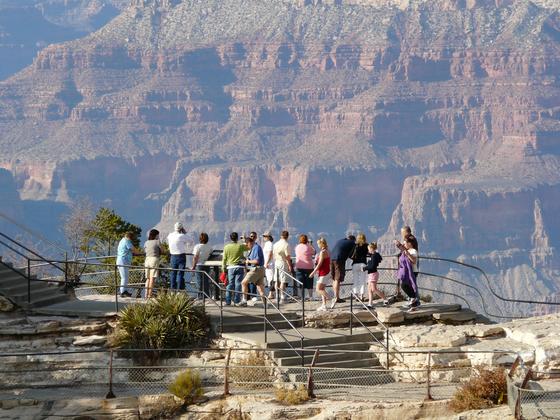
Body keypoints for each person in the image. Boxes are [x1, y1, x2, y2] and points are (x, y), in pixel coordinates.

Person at [329, 234, 356, 308]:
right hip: (339, 259)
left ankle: (335, 296)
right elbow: (352, 255)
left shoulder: (340, 240)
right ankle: (337, 298)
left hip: (331, 259)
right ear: (353, 240)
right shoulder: (352, 243)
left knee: (334, 278)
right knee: (338, 278)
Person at [221, 232, 248, 306]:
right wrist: (244, 240)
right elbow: (248, 247)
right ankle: (236, 301)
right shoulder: (240, 246)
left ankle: (228, 301)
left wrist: (223, 269)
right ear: (237, 238)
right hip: (239, 267)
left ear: (230, 238)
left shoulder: (226, 247)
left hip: (230, 267)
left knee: (230, 284)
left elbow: (224, 259)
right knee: (238, 284)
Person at [395, 235, 420, 312]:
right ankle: (414, 305)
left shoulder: (413, 251)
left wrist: (407, 253)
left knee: (404, 285)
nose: (404, 243)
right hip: (407, 272)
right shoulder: (408, 250)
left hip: (412, 272)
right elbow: (403, 249)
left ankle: (414, 299)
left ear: (410, 243)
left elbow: (414, 261)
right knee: (407, 286)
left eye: (405, 242)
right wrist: (398, 245)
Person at [239, 236, 266, 306]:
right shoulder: (255, 248)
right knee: (260, 288)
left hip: (256, 269)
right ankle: (265, 304)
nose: (247, 246)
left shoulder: (256, 248)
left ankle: (244, 300)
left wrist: (248, 261)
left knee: (243, 283)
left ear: (250, 243)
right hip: (260, 269)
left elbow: (256, 261)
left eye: (247, 245)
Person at [116, 231, 142, 297]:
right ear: (130, 237)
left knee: (125, 277)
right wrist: (140, 253)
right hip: (123, 260)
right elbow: (133, 249)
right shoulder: (126, 241)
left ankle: (125, 290)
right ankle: (122, 292)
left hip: (123, 260)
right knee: (124, 277)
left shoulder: (122, 240)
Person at [309, 238, 331, 311]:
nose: (317, 245)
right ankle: (324, 305)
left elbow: (319, 264)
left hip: (323, 272)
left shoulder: (322, 252)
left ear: (321, 244)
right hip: (326, 271)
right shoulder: (327, 251)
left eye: (318, 243)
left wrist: (313, 272)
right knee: (322, 289)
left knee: (318, 289)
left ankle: (332, 298)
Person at [273, 230, 293, 303]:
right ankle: (282, 297)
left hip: (276, 262)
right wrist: (290, 265)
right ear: (287, 236)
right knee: (283, 280)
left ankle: (277, 296)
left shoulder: (275, 244)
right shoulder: (286, 244)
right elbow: (287, 256)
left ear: (281, 236)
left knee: (277, 280)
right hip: (283, 262)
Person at [167, 222, 189, 291]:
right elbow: (191, 241)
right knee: (180, 274)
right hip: (181, 256)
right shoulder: (182, 236)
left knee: (173, 274)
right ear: (181, 228)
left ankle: (172, 290)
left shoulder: (170, 235)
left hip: (172, 256)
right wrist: (185, 233)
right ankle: (179, 290)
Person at [363, 242, 385, 308]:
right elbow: (379, 258)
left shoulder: (374, 256)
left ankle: (385, 299)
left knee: (374, 289)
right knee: (369, 289)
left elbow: (372, 266)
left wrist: (364, 268)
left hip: (373, 273)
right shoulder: (374, 255)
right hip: (371, 274)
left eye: (369, 249)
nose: (368, 250)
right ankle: (370, 303)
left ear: (372, 248)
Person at [192, 232, 213, 299]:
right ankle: (206, 295)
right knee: (206, 280)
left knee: (199, 281)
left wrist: (193, 266)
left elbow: (195, 257)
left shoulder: (197, 246)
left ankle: (200, 296)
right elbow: (210, 254)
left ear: (200, 239)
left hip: (199, 265)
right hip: (207, 265)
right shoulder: (209, 247)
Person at [295, 234, 315, 301]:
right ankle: (310, 297)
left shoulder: (297, 247)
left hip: (299, 266)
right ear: (307, 240)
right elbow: (314, 252)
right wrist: (311, 244)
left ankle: (302, 297)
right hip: (309, 266)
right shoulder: (308, 247)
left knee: (301, 282)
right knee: (310, 281)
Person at [143, 229, 162, 299]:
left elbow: (144, 251)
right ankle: (149, 295)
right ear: (156, 235)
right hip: (154, 259)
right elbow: (163, 250)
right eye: (158, 235)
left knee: (147, 278)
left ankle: (146, 294)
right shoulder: (157, 242)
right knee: (152, 278)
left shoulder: (146, 242)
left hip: (147, 260)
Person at [351, 233, 368, 299]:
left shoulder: (355, 245)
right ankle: (362, 296)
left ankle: (356, 295)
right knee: (362, 280)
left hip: (355, 264)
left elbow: (350, 255)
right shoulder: (366, 245)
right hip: (362, 264)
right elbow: (368, 253)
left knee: (355, 280)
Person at [263, 232, 275, 299]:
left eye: (265, 236)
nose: (264, 237)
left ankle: (271, 293)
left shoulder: (269, 244)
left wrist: (266, 263)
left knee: (270, 279)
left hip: (269, 264)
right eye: (263, 236)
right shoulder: (266, 244)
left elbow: (270, 254)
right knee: (268, 278)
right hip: (267, 264)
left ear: (268, 237)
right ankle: (271, 293)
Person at [247, 231, 259, 300]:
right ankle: (248, 296)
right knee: (247, 281)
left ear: (256, 237)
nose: (253, 238)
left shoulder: (257, 246)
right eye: (251, 236)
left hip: (253, 265)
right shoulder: (247, 245)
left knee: (253, 281)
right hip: (247, 265)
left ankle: (253, 296)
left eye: (254, 236)